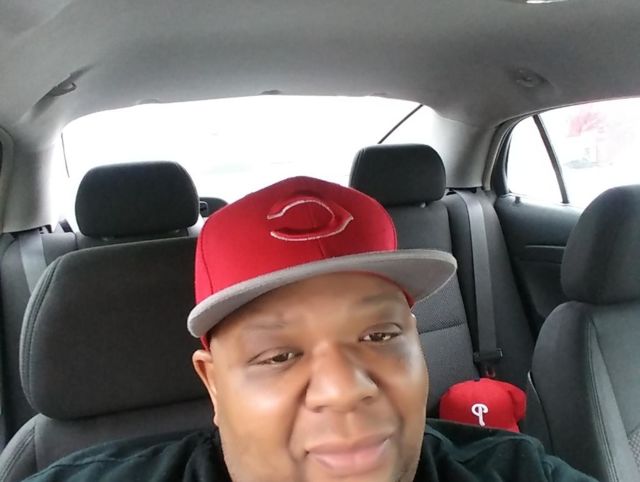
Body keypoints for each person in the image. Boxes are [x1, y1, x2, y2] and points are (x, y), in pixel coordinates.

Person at [25, 176, 595, 481]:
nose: (345, 389)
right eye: (278, 355)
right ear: (214, 384)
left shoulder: (516, 470)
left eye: (379, 336)